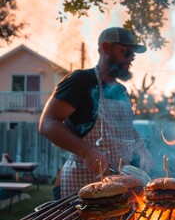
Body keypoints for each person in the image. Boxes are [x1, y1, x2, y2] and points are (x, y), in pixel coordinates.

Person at [39, 27, 153, 199]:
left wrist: (141, 147)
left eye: (133, 55)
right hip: (82, 180)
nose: (130, 60)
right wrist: (87, 152)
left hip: (120, 185)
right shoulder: (81, 81)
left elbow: (125, 130)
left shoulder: (122, 91)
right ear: (106, 48)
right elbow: (48, 124)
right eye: (126, 53)